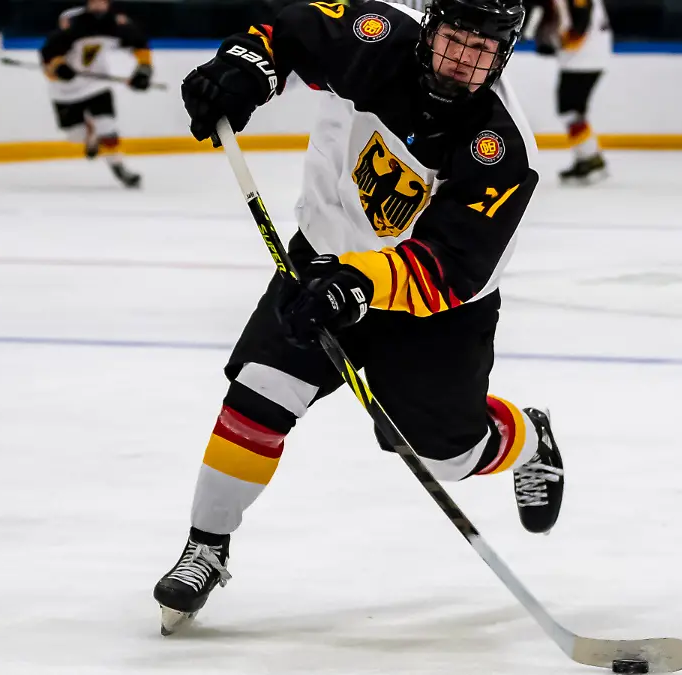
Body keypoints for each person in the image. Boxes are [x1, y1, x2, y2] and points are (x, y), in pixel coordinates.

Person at [152, 0, 567, 635]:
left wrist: (361, 285)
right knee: (261, 393)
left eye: (483, 50)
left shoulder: (501, 148)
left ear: (505, 54)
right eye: (455, 40)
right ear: (430, 27)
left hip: (435, 311)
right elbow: (278, 33)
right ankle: (207, 546)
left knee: (448, 456)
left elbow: (452, 270)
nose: (463, 61)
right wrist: (240, 70)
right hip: (324, 260)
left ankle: (529, 438)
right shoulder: (375, 36)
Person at [40, 0, 154, 188]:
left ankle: (118, 166)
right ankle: (90, 134)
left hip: (96, 86)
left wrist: (143, 69)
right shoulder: (62, 37)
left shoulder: (110, 26)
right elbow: (48, 58)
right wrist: (58, 69)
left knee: (107, 126)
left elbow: (139, 43)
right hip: (65, 92)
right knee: (75, 135)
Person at [531, 0, 612, 184]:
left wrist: (560, 44)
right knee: (572, 111)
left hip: (583, 61)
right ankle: (587, 157)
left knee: (570, 111)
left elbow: (580, 24)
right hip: (583, 59)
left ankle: (591, 158)